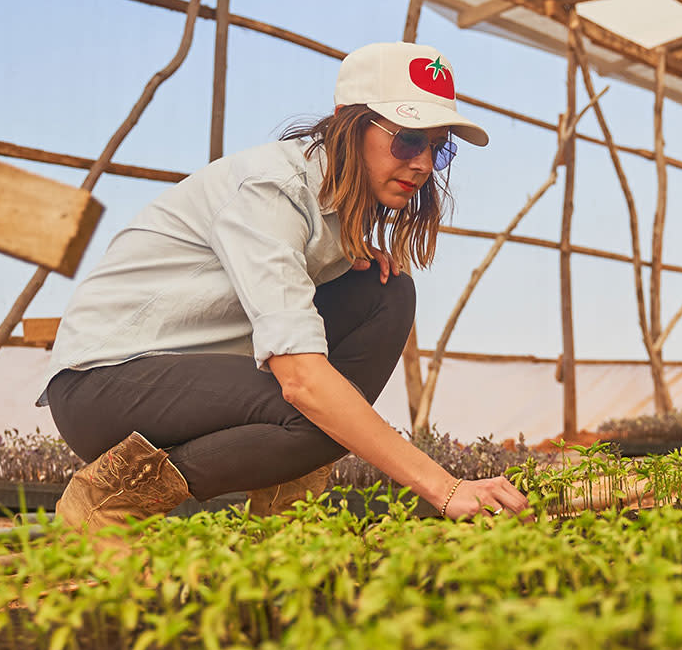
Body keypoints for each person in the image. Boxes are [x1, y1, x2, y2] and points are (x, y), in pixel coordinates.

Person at [38, 42, 530, 532]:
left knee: (387, 294)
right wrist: (444, 488)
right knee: (319, 415)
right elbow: (301, 380)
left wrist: (341, 261)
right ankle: (110, 498)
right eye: (407, 140)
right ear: (346, 121)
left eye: (438, 147)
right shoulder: (272, 191)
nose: (422, 163)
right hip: (102, 386)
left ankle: (282, 511)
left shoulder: (332, 212)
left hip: (171, 377)